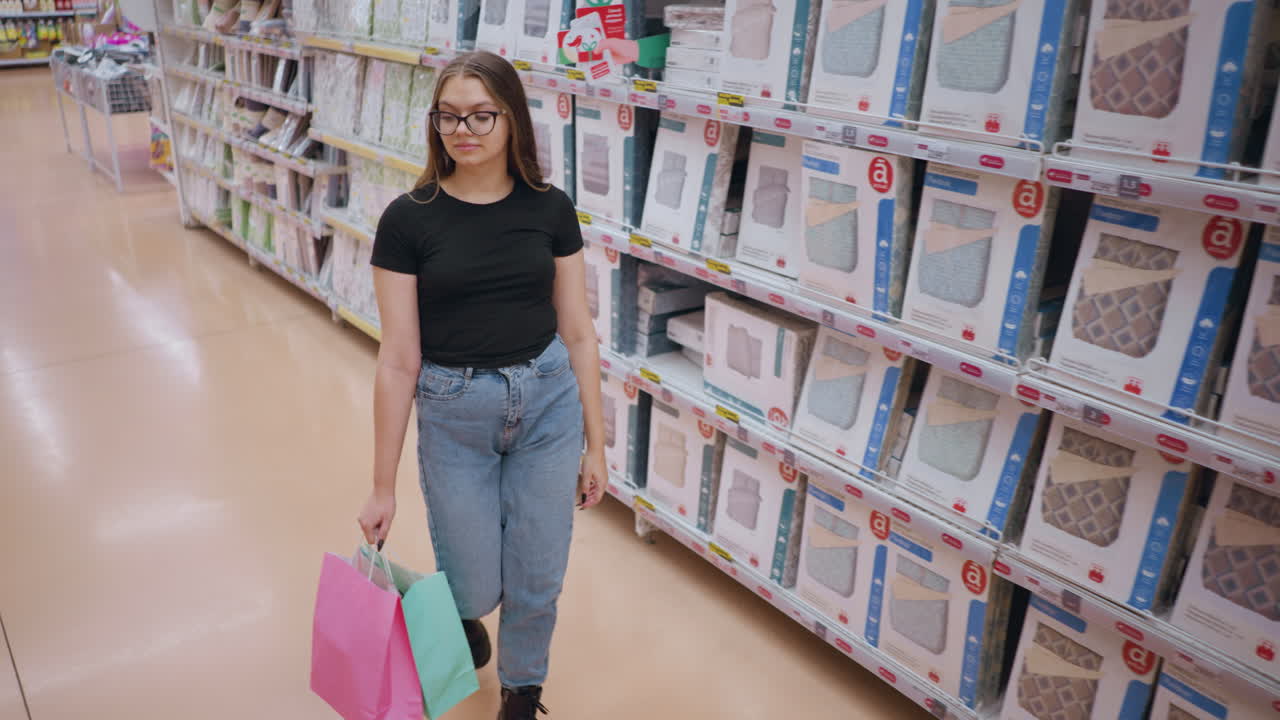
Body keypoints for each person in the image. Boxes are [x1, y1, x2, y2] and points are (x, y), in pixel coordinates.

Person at [357, 50, 608, 719]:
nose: (462, 130)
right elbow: (397, 361)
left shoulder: (551, 209)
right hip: (455, 412)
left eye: (480, 116)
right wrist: (382, 486)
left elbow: (579, 331)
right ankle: (465, 618)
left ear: (513, 120)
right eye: (448, 117)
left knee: (537, 572)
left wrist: (598, 446)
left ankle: (523, 692)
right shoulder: (408, 220)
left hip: (548, 403)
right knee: (471, 580)